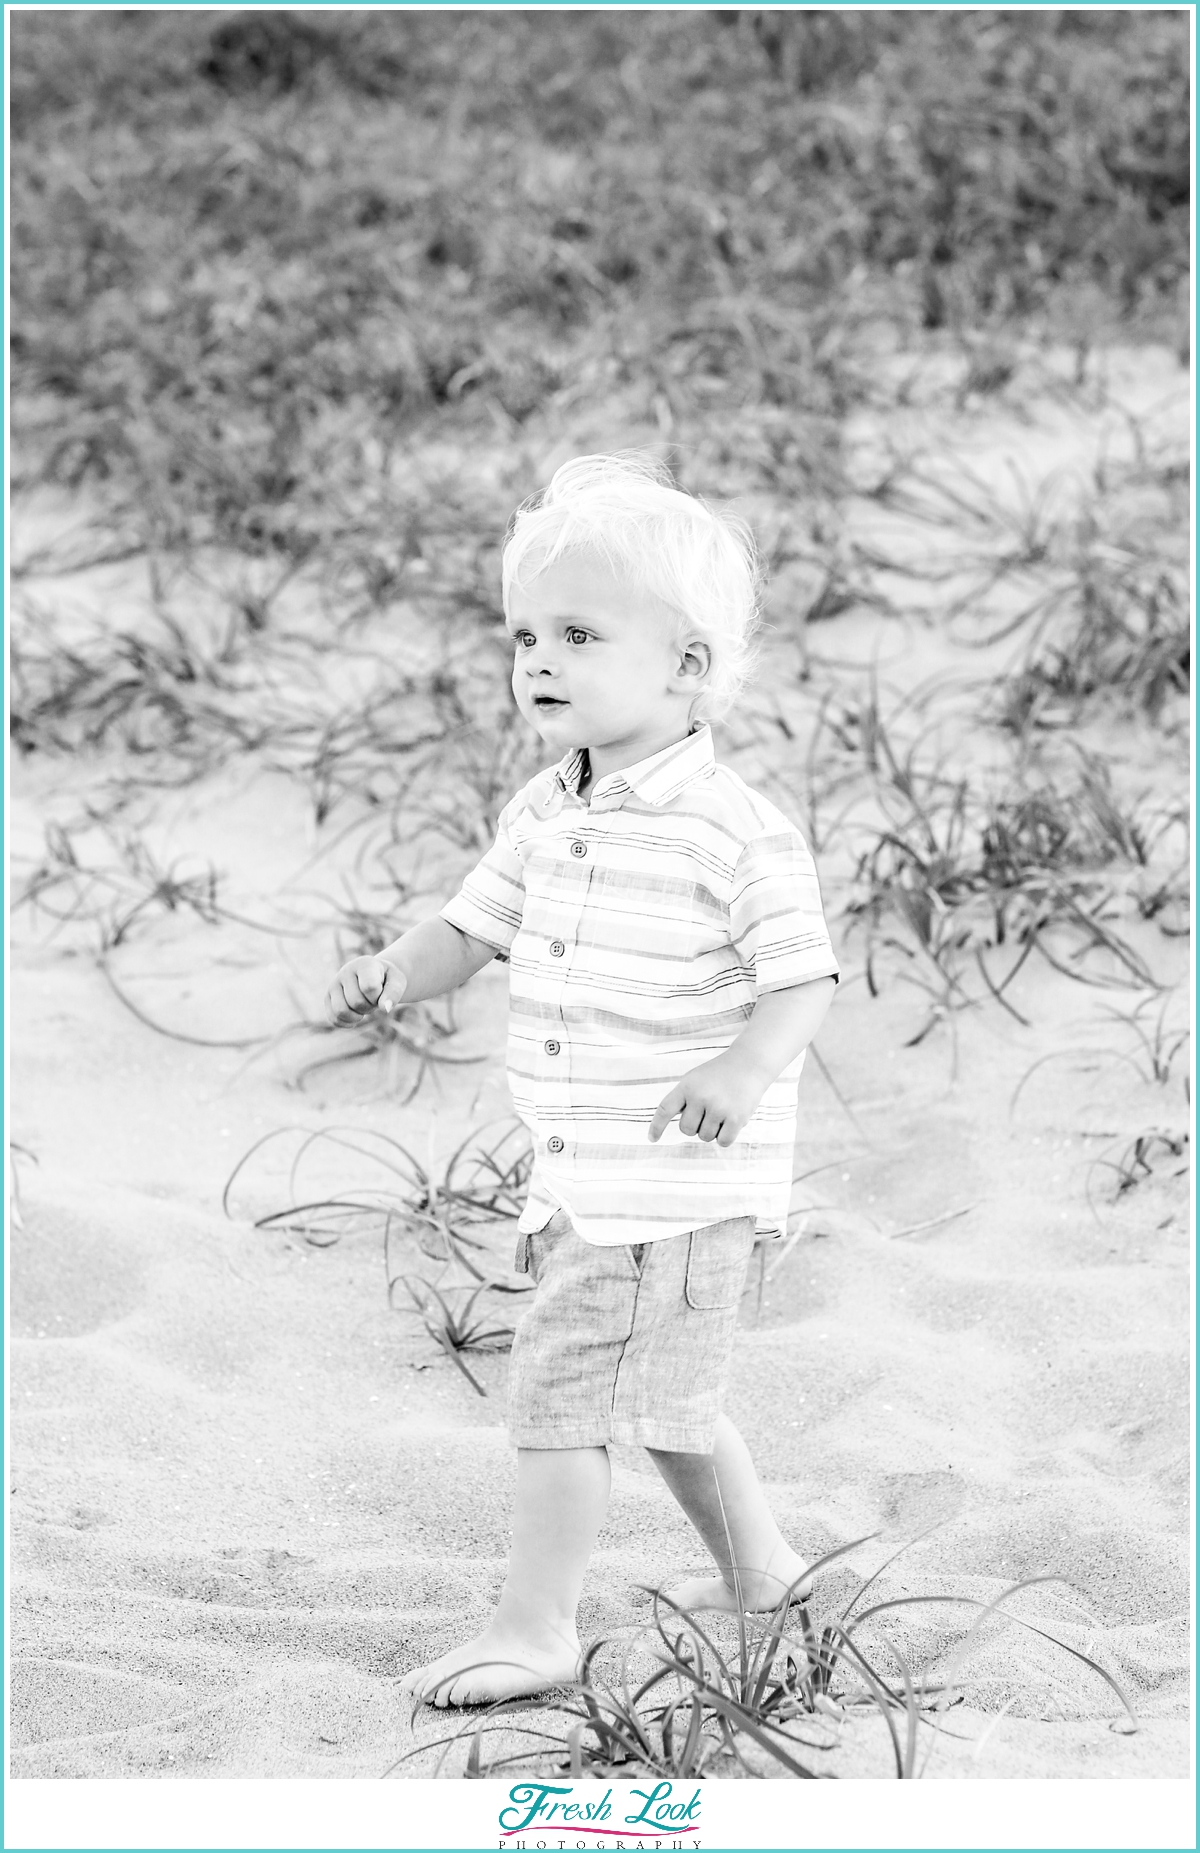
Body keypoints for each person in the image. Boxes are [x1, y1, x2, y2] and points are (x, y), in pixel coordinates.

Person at [325, 453, 840, 1708]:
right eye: (523, 636)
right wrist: (404, 968)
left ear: (688, 667)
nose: (537, 660)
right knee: (670, 1402)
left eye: (576, 633)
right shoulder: (543, 811)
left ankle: (536, 1622)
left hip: (673, 1178)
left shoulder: (733, 827)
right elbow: (475, 927)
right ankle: (761, 1564)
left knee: (558, 1402)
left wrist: (742, 1064)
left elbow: (803, 974)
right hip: (588, 1177)